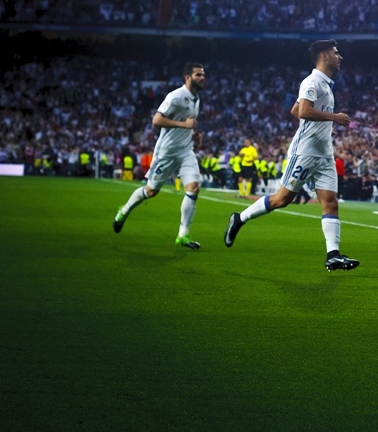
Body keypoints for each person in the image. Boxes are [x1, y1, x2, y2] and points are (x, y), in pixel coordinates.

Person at [224, 40, 359, 272]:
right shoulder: (312, 81)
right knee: (282, 199)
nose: (340, 57)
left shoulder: (326, 84)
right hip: (304, 152)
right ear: (324, 56)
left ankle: (333, 255)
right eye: (336, 53)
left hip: (324, 154)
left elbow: (296, 110)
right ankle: (240, 218)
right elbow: (303, 111)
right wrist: (333, 118)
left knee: (331, 203)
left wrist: (324, 126)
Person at [112, 62, 207, 249]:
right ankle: (124, 210)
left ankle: (183, 235)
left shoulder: (197, 99)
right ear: (187, 77)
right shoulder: (176, 96)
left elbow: (186, 125)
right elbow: (156, 120)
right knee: (151, 191)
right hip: (166, 152)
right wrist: (184, 125)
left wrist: (193, 135)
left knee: (193, 188)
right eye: (198, 75)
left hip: (185, 151)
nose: (202, 78)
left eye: (203, 75)